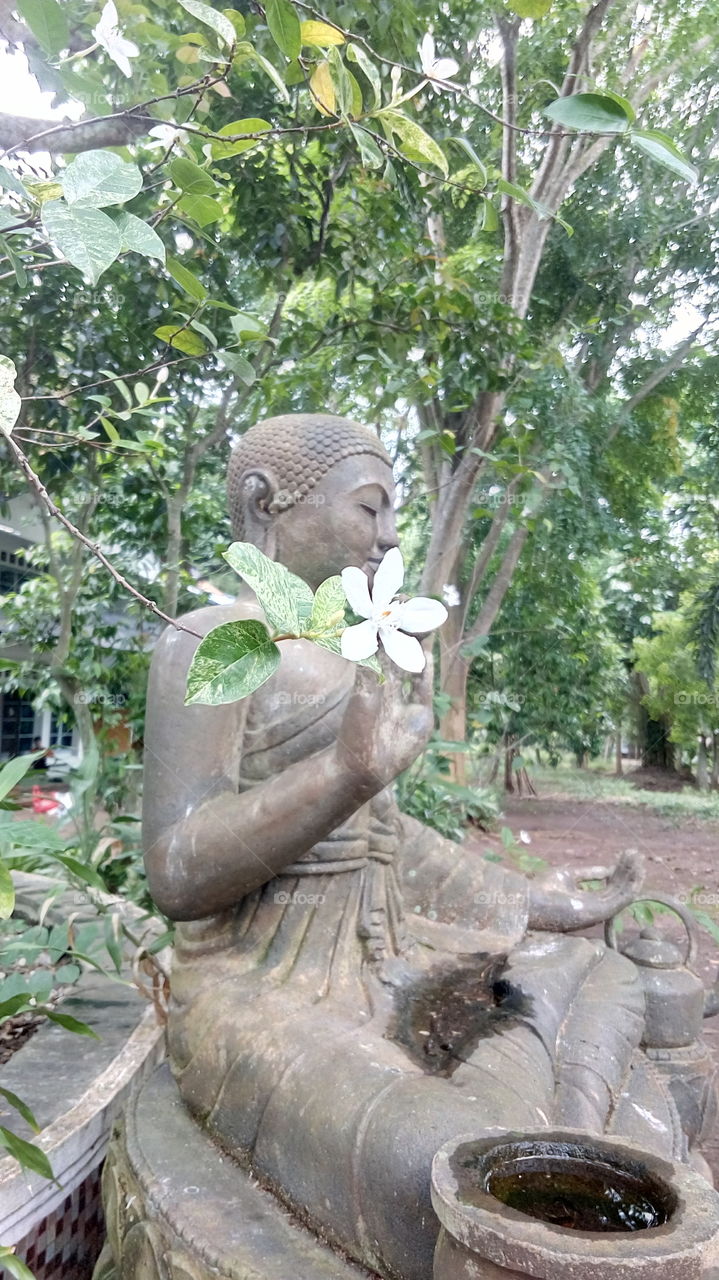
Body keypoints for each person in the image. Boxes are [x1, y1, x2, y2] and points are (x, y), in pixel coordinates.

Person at [142, 414, 701, 1280]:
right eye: (370, 508)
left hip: (383, 967)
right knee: (448, 1171)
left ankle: (562, 1145)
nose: (391, 534)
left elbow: (391, 845)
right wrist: (339, 777)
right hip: (262, 993)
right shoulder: (210, 641)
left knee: (603, 970)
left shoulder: (345, 658)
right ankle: (551, 1141)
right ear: (263, 503)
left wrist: (549, 900)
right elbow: (176, 872)